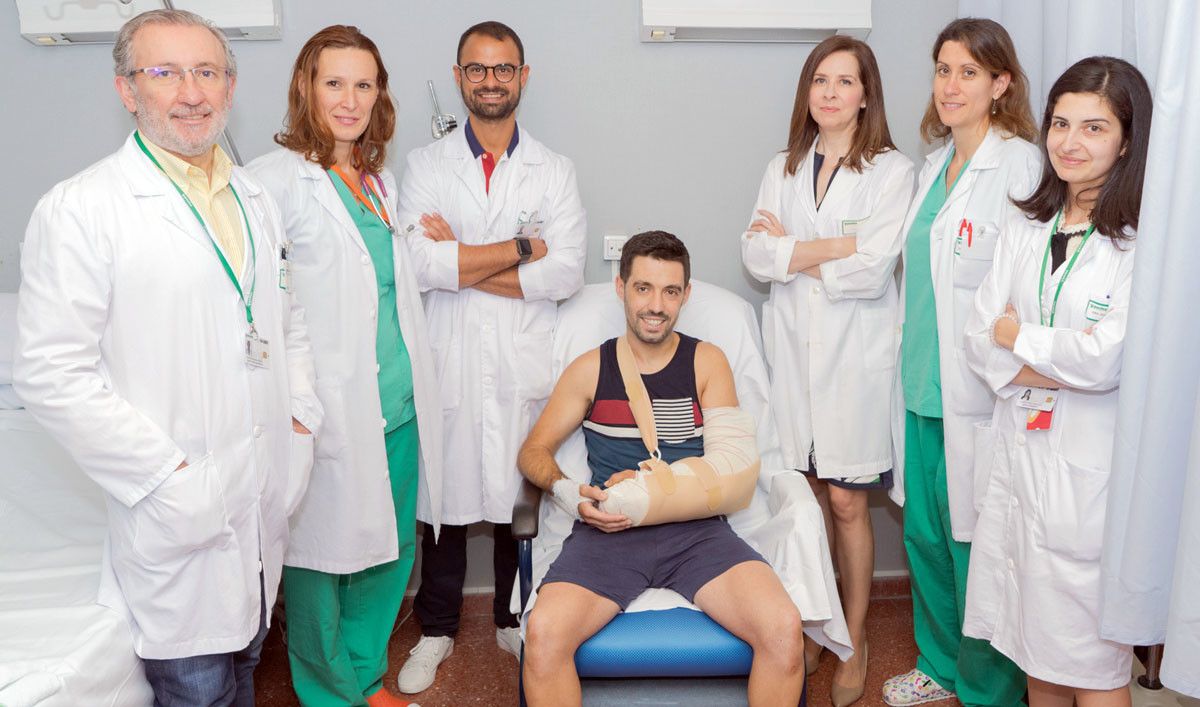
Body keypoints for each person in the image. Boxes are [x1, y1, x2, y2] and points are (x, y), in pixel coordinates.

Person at [11, 9, 322, 705]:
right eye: (165, 73)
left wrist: (301, 417)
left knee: (246, 666)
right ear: (127, 90)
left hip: (259, 493)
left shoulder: (253, 200)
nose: (191, 92)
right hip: (174, 509)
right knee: (200, 689)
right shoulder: (83, 209)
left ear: (231, 86)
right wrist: (165, 473)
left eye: (207, 72)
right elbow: (49, 373)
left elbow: (286, 318)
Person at [516, 231, 805, 707]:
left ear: (686, 296)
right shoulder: (591, 368)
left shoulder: (706, 361)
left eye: (671, 291)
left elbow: (732, 469)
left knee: (783, 631)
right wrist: (567, 492)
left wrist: (650, 488)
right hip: (609, 531)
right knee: (544, 637)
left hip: (695, 533)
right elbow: (533, 451)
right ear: (621, 288)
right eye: (644, 288)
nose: (656, 305)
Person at [248, 25, 443, 707]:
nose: (349, 98)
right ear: (307, 86)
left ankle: (365, 677)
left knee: (387, 553)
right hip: (325, 407)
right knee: (318, 563)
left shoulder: (377, 180)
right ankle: (330, 691)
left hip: (396, 402)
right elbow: (256, 306)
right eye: (335, 82)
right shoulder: (271, 182)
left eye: (364, 84)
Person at [393, 20, 587, 694]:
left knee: (514, 493)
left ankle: (511, 615)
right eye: (477, 69)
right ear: (459, 77)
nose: (490, 80)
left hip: (520, 359)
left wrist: (464, 260)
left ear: (522, 77)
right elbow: (419, 263)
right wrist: (518, 247)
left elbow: (565, 274)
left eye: (503, 68)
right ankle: (438, 628)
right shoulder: (424, 166)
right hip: (447, 352)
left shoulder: (553, 169)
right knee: (441, 499)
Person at [962, 56, 1151, 707]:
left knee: (1094, 667)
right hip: (1021, 460)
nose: (1071, 142)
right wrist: (1040, 357)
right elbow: (977, 333)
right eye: (1061, 123)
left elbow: (1108, 361)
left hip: (1086, 476)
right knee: (1032, 649)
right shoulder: (1027, 223)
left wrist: (1021, 342)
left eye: (1094, 128)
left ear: (1127, 139)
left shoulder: (1140, 243)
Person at [739, 34, 913, 706]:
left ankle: (857, 634)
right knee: (805, 496)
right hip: (793, 355)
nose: (831, 93)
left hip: (853, 361)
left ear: (866, 94)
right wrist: (834, 243)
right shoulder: (782, 166)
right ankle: (815, 621)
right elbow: (754, 255)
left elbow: (870, 271)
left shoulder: (893, 171)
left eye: (845, 81)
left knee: (845, 500)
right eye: (820, 80)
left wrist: (793, 249)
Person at [883, 17, 1040, 707]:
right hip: (921, 387)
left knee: (980, 549)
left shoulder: (1021, 165)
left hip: (979, 395)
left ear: (1001, 83)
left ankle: (989, 688)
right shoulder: (933, 165)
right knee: (926, 537)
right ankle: (939, 665)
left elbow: (1023, 288)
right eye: (943, 69)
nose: (950, 85)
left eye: (968, 72)